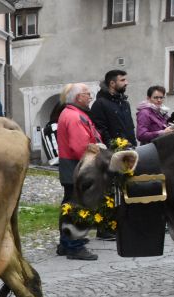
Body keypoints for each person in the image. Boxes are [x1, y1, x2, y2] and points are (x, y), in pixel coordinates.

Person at [55, 83, 102, 261]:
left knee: (69, 205)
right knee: (77, 206)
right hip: (77, 166)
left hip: (71, 167)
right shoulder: (75, 116)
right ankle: (74, 246)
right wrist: (100, 151)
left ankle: (66, 243)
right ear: (77, 98)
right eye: (87, 94)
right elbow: (80, 148)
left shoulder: (71, 113)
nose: (90, 97)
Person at [89, 69, 136, 148]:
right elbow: (100, 130)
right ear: (112, 83)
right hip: (113, 152)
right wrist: (113, 146)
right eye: (122, 80)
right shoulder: (100, 104)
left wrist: (133, 144)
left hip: (130, 149)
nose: (126, 83)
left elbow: (130, 127)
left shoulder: (124, 103)